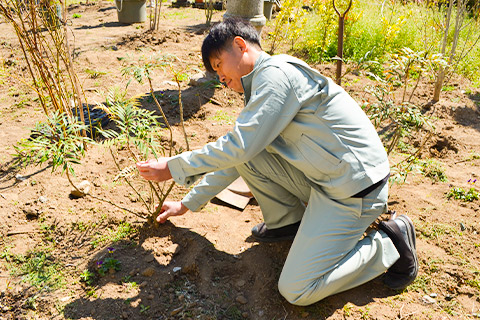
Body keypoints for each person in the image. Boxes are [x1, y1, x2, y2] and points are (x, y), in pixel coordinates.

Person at [136, 18, 418, 306]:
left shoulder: (276, 77)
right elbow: (241, 157)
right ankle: (288, 223)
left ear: (240, 45)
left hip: (356, 192)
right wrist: (187, 204)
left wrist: (173, 167)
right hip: (329, 181)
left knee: (297, 289)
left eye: (219, 65)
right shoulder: (263, 83)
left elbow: (238, 147)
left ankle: (389, 245)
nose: (219, 78)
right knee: (253, 156)